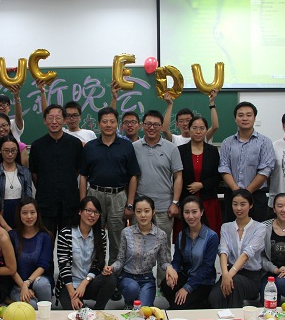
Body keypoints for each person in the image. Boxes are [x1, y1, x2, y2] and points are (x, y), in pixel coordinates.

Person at [79, 106, 140, 265]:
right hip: (95, 194)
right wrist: (83, 202)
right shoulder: (90, 147)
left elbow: (133, 176)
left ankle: (115, 272)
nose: (108, 125)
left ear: (117, 124)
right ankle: (94, 270)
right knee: (93, 234)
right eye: (105, 121)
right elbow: (83, 176)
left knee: (117, 237)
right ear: (99, 124)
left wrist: (130, 204)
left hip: (118, 196)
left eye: (112, 121)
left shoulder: (126, 146)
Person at [104, 196, 172, 307]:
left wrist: (169, 267)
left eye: (147, 211)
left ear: (153, 212)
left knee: (144, 309)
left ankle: (139, 299)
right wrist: (111, 268)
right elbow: (120, 260)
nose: (143, 215)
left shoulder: (161, 235)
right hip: (127, 277)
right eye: (139, 211)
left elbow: (163, 262)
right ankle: (129, 301)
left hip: (147, 279)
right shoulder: (127, 232)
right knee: (132, 288)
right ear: (134, 213)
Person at [29, 104, 83, 240]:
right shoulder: (37, 146)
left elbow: (78, 170)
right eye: (50, 118)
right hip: (46, 203)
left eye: (58, 118)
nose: (54, 122)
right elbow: (34, 173)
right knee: (46, 241)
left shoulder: (75, 144)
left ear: (64, 120)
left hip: (70, 202)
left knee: (69, 243)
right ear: (44, 121)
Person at [56, 196, 117, 310]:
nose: (92, 215)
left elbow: (98, 264)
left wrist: (85, 283)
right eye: (89, 211)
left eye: (96, 212)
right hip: (69, 286)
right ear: (80, 211)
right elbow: (64, 267)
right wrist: (73, 295)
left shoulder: (101, 235)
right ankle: (81, 305)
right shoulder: (66, 234)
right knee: (78, 315)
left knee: (110, 279)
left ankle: (98, 310)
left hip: (89, 283)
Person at [218, 102, 275, 222]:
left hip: (256, 196)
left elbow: (265, 170)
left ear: (254, 118)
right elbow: (224, 167)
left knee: (258, 230)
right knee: (232, 229)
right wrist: (237, 191)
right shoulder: (227, 142)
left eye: (249, 115)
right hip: (232, 195)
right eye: (241, 115)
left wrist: (246, 193)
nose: (244, 118)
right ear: (235, 119)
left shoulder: (265, 142)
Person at [210, 189, 266, 308]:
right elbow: (223, 251)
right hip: (229, 272)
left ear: (250, 205)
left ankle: (235, 318)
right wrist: (225, 274)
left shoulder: (260, 228)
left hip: (251, 277)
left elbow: (246, 254)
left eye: (243, 204)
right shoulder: (226, 227)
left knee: (234, 285)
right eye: (235, 204)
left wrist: (228, 276)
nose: (238, 208)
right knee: (214, 296)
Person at [133, 109, 183, 243]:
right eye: (148, 124)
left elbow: (178, 176)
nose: (152, 128)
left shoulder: (172, 148)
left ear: (161, 127)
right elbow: (131, 178)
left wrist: (175, 203)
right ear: (142, 125)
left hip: (164, 207)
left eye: (156, 125)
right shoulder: (133, 147)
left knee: (163, 247)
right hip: (140, 207)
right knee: (138, 246)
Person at [162, 195, 218, 310]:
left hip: (203, 281)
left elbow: (207, 268)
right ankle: (184, 305)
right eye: (187, 212)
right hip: (186, 276)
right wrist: (173, 273)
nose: (190, 216)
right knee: (165, 285)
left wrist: (187, 288)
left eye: (194, 212)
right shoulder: (181, 235)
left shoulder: (211, 236)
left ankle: (195, 304)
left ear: (201, 212)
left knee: (178, 306)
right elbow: (177, 260)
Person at [178, 116, 222, 236]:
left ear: (206, 130)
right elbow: (177, 177)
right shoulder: (180, 151)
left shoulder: (213, 151)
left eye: (202, 128)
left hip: (208, 201)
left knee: (209, 236)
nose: (198, 131)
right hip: (186, 201)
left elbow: (218, 176)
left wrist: (202, 185)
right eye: (194, 128)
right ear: (189, 130)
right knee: (186, 236)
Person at [9, 198, 53, 308]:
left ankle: (47, 312)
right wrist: (23, 286)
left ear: (37, 213)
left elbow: (43, 265)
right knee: (32, 306)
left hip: (38, 281)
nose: (29, 216)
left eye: (32, 212)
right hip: (17, 285)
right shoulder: (12, 236)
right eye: (25, 213)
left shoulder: (45, 236)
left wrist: (27, 283)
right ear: (19, 215)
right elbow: (11, 267)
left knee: (42, 285)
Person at [0, 134, 33, 229]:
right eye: (6, 151)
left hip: (21, 214)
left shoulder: (25, 172)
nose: (10, 154)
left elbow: (28, 198)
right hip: (1, 214)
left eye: (13, 150)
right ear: (0, 150)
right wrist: (5, 225)